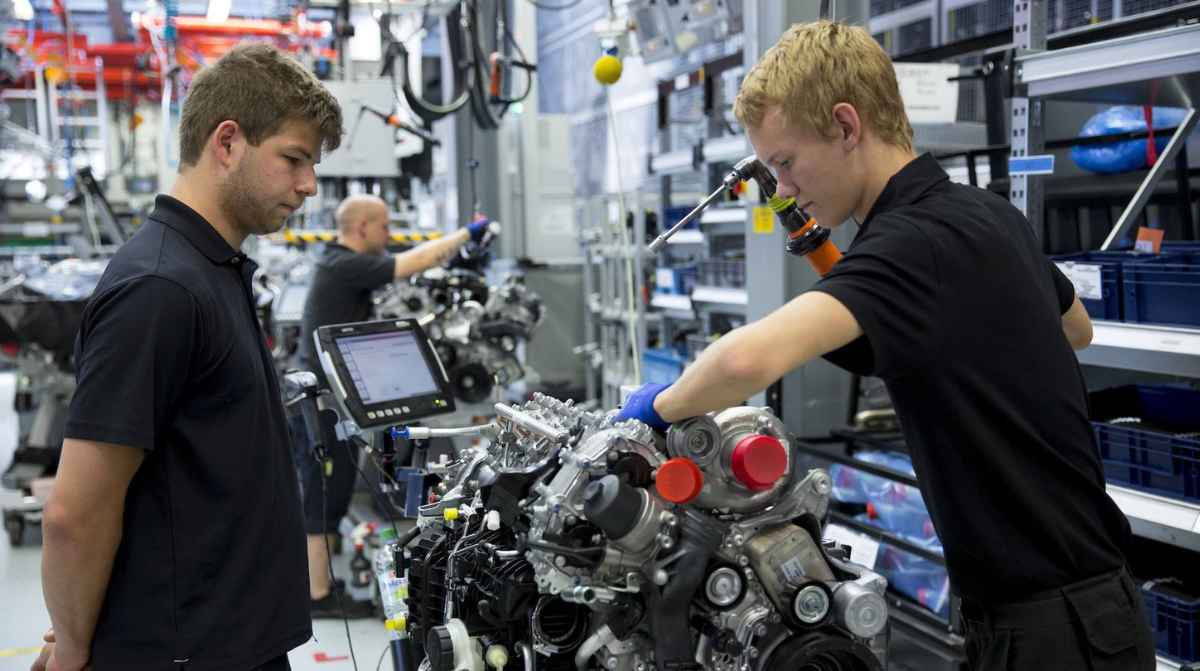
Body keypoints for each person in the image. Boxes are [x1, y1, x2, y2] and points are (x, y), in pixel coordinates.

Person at [617, 21, 1155, 671]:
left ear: (847, 127)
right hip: (1070, 606)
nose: (782, 187)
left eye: (785, 162)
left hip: (1056, 631)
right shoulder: (985, 214)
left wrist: (652, 409)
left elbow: (745, 360)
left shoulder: (911, 243)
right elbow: (1077, 328)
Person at [34, 43, 341, 671]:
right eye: (293, 159)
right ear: (227, 142)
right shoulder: (160, 288)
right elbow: (74, 514)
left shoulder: (212, 268)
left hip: (233, 642)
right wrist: (72, 648)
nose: (308, 185)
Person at [294, 194, 487, 617]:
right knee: (323, 498)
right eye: (384, 226)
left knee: (332, 494)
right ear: (362, 227)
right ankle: (317, 596)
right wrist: (465, 234)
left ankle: (321, 585)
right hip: (323, 405)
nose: (389, 234)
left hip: (334, 401)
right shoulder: (343, 265)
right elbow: (412, 262)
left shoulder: (341, 262)